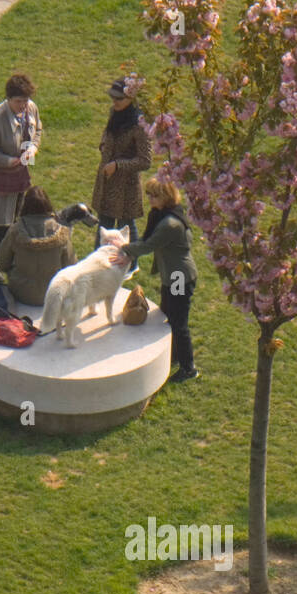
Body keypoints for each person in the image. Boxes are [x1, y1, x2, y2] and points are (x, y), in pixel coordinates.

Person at [114, 177, 199, 382]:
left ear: (167, 196)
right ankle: (176, 355)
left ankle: (189, 368)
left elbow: (147, 246)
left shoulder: (169, 224)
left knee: (178, 321)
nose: (150, 199)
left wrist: (123, 249)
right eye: (149, 194)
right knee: (168, 312)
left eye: (155, 195)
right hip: (173, 274)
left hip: (179, 277)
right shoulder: (164, 214)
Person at [0, 74, 42, 280]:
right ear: (8, 99)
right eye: (18, 101)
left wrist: (33, 148)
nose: (23, 105)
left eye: (25, 100)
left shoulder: (31, 108)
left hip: (20, 177)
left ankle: (6, 258)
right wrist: (7, 161)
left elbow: (37, 130)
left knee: (15, 218)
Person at [91, 78, 151, 249]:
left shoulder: (140, 125)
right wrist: (103, 144)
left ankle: (131, 263)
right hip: (107, 180)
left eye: (119, 99)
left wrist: (118, 165)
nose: (115, 102)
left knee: (126, 226)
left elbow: (145, 160)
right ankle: (99, 261)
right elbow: (107, 132)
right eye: (113, 98)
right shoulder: (114, 112)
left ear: (131, 99)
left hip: (126, 187)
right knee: (104, 224)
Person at [0, 187, 76, 305]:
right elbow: (71, 266)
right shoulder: (61, 234)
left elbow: (2, 263)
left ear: (25, 205)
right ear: (48, 205)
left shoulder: (15, 231)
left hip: (20, 292)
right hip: (53, 293)